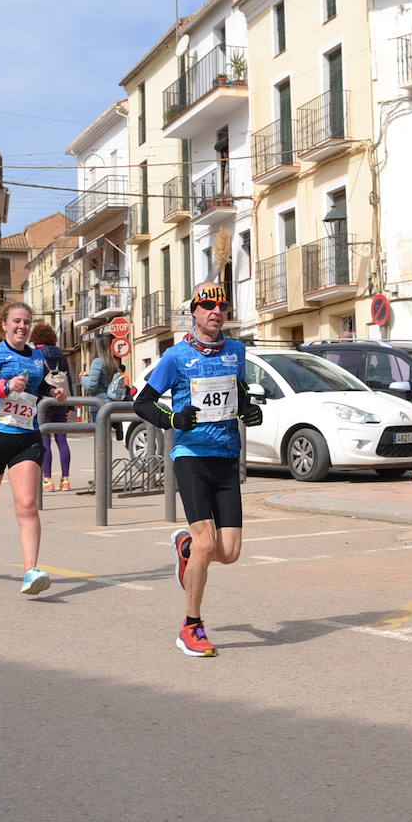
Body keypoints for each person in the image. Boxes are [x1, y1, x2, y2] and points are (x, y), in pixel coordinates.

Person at [133, 281, 263, 657]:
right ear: (194, 311)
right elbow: (143, 403)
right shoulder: (176, 356)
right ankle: (191, 626)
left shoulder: (237, 351)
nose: (215, 313)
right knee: (208, 544)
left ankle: (185, 546)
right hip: (191, 457)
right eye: (207, 307)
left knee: (229, 552)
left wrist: (248, 411)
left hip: (226, 456)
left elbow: (237, 394)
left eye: (221, 307)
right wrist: (175, 418)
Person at [0, 302, 69, 595]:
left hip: (25, 437)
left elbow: (36, 388)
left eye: (26, 322)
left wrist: (54, 391)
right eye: (16, 321)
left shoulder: (36, 357)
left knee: (27, 505)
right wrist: (2, 387)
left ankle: (31, 571)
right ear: (4, 325)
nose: (22, 326)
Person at [30, 321, 73, 492]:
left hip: (43, 403)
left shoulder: (36, 355)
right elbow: (68, 380)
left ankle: (47, 480)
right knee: (62, 440)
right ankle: (66, 480)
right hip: (61, 402)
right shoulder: (61, 356)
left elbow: (35, 379)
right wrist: (70, 406)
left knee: (45, 440)